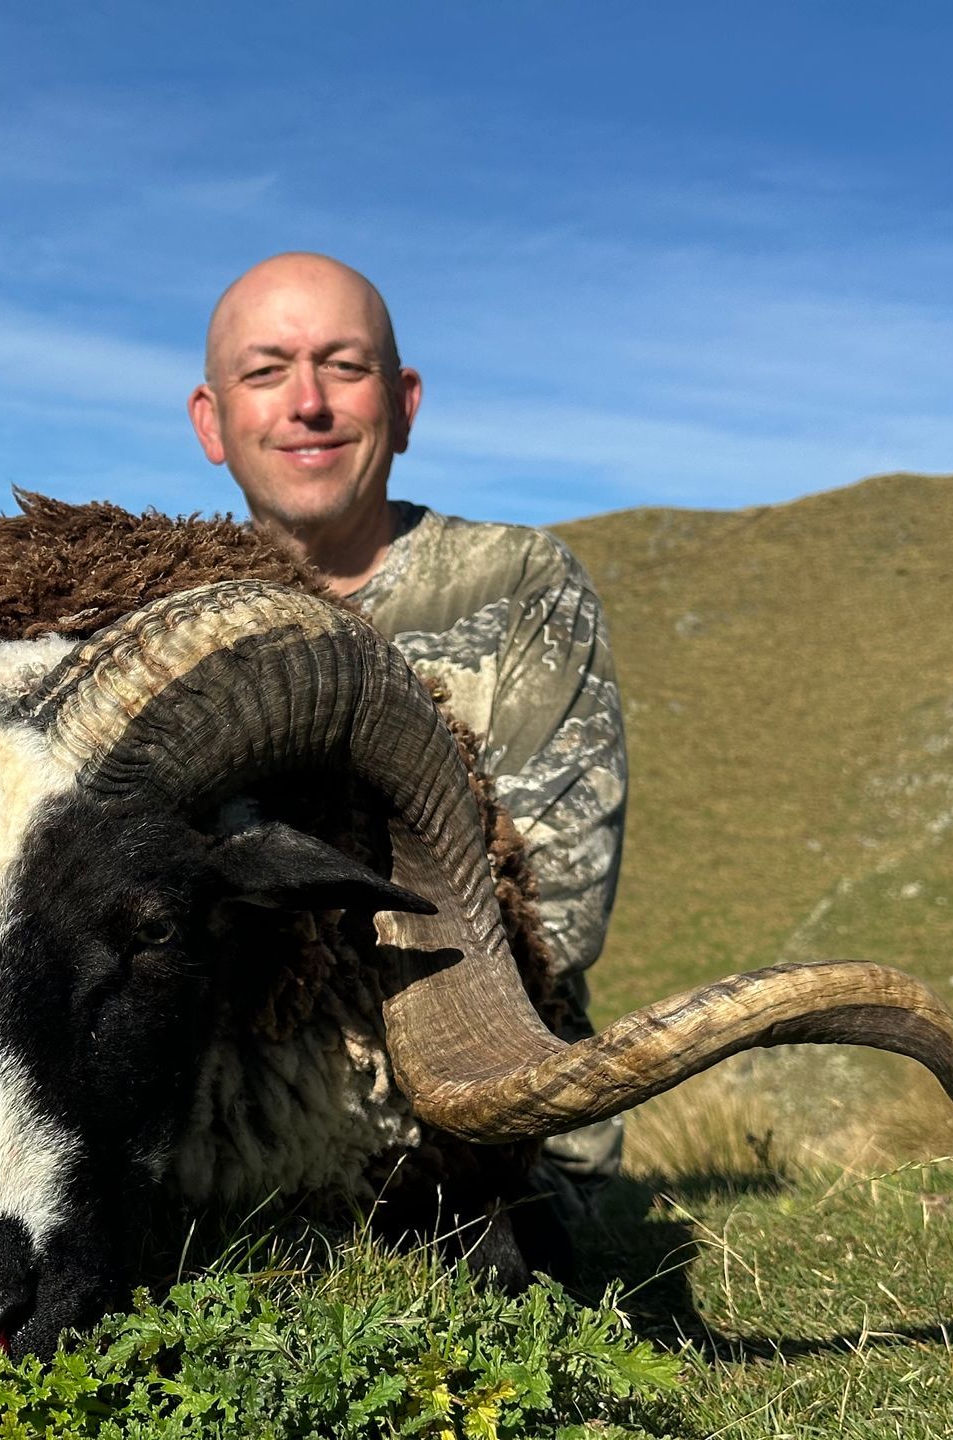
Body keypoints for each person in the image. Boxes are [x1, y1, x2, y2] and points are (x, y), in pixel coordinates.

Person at [188, 252, 628, 1200]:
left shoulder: (518, 585)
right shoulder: (164, 636)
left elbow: (556, 910)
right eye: (265, 372)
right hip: (219, 1116)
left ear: (406, 402)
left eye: (344, 366)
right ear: (210, 421)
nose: (308, 402)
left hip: (491, 1132)